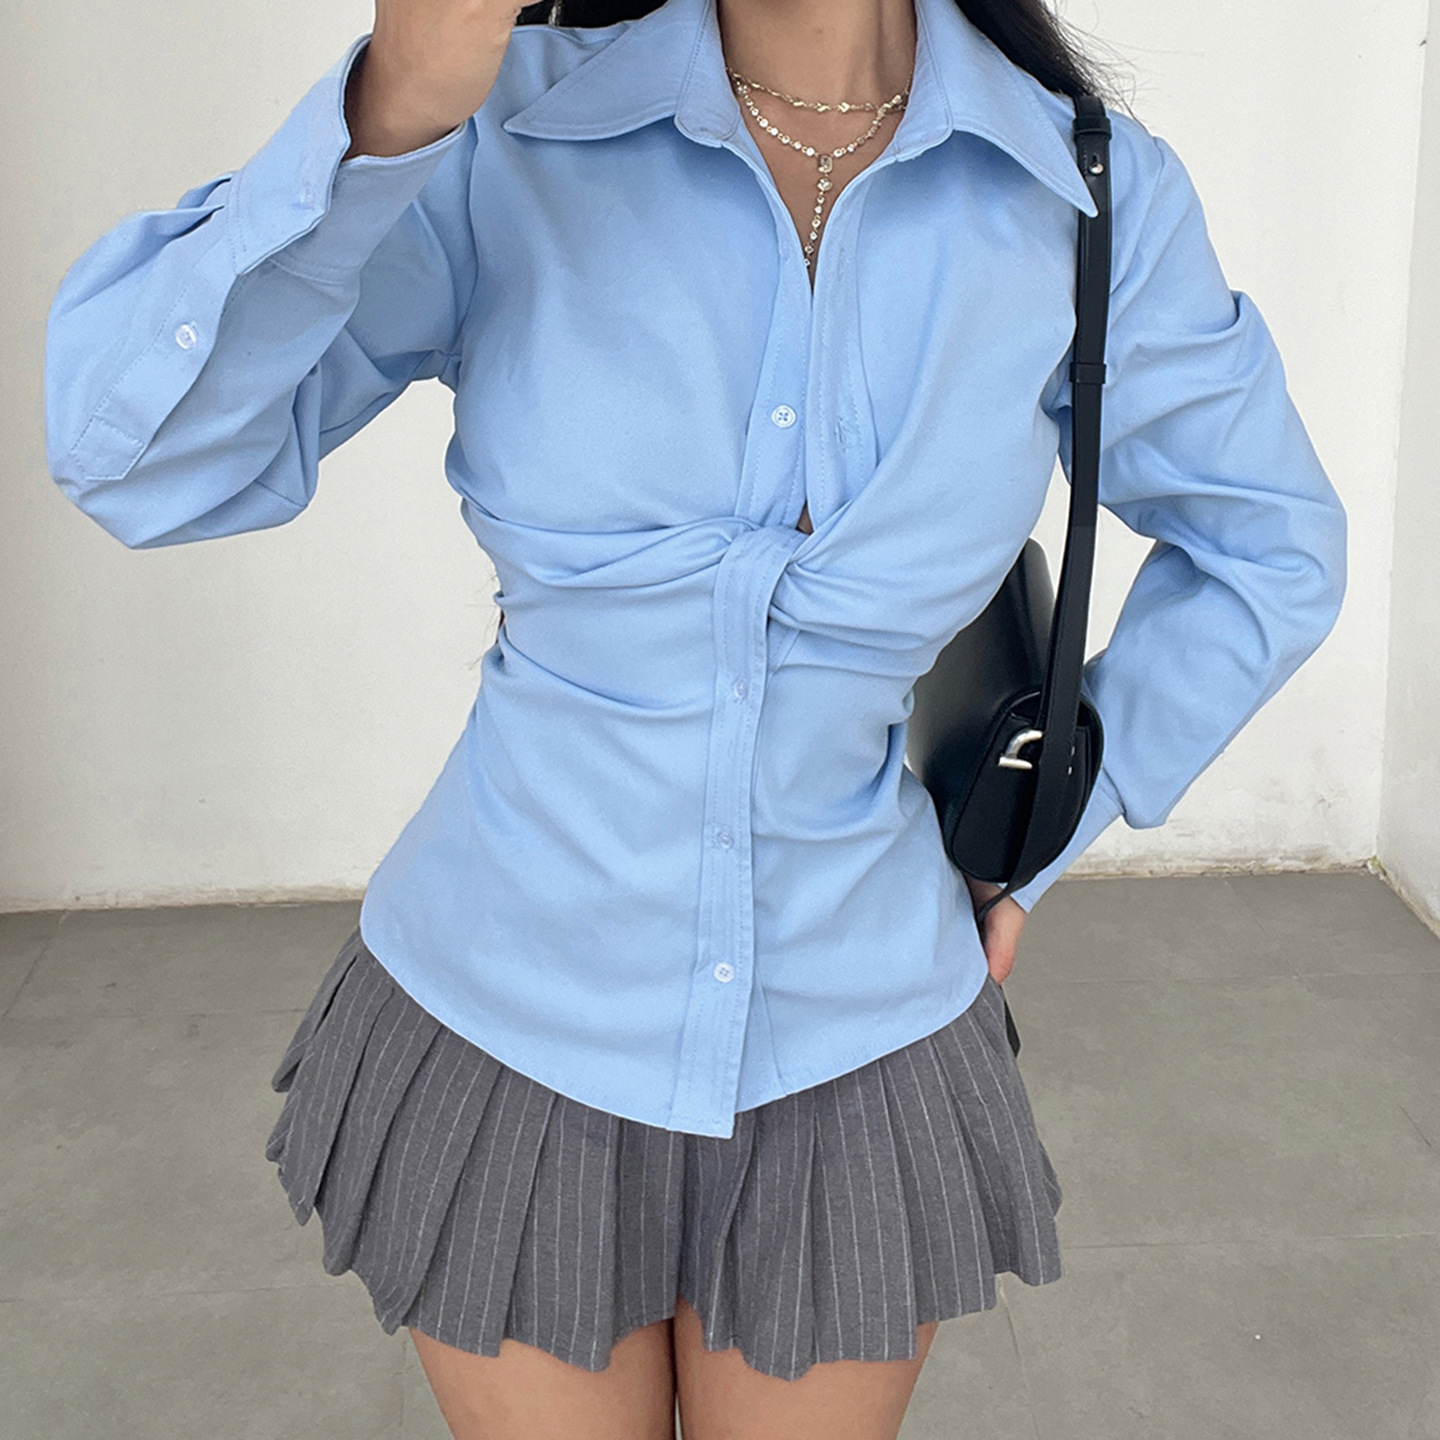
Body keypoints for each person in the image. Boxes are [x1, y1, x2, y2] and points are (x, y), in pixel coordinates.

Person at [42, 0, 1347, 1435]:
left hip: (857, 1041)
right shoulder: (506, 130)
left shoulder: (1083, 193)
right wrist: (386, 113)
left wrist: (1037, 826)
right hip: (504, 1013)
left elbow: (1267, 548)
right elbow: (137, 460)